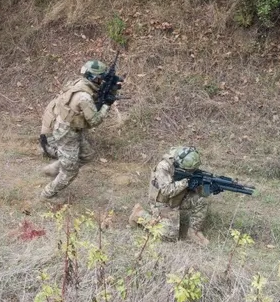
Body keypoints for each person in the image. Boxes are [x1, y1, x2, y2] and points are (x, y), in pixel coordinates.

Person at [39, 60, 115, 198]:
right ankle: (47, 194)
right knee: (70, 173)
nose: (103, 80)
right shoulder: (84, 97)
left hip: (70, 128)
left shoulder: (78, 84)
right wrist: (106, 105)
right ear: (94, 78)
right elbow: (95, 121)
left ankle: (54, 168)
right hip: (66, 134)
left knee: (87, 155)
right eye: (101, 77)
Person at [129, 146, 210, 245]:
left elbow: (194, 186)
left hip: (178, 197)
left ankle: (193, 231)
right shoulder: (163, 167)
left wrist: (203, 186)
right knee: (170, 236)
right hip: (162, 202)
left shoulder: (186, 161)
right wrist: (186, 182)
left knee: (201, 200)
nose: (191, 172)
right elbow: (166, 190)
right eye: (189, 170)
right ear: (180, 163)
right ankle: (140, 215)